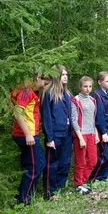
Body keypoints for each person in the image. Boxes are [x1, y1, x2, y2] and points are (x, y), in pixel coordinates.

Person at [10, 71, 50, 204]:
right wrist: (28, 134)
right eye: (44, 83)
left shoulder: (28, 90)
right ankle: (24, 199)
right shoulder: (26, 90)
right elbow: (18, 113)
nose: (44, 87)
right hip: (27, 135)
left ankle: (19, 196)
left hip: (28, 134)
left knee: (31, 164)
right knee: (36, 165)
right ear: (38, 78)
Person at [41, 65, 73, 200]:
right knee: (52, 164)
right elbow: (46, 117)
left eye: (66, 74)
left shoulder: (67, 94)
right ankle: (50, 191)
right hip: (55, 135)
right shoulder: (49, 93)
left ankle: (59, 188)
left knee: (65, 162)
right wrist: (49, 138)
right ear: (56, 76)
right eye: (63, 74)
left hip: (67, 134)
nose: (65, 77)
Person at [71, 76, 99, 194]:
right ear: (80, 87)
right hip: (80, 135)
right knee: (80, 161)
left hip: (91, 134)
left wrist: (96, 133)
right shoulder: (75, 100)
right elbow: (74, 120)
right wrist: (80, 137)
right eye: (85, 86)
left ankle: (82, 181)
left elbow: (93, 118)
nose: (87, 89)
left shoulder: (93, 100)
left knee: (93, 160)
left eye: (90, 86)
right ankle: (79, 184)